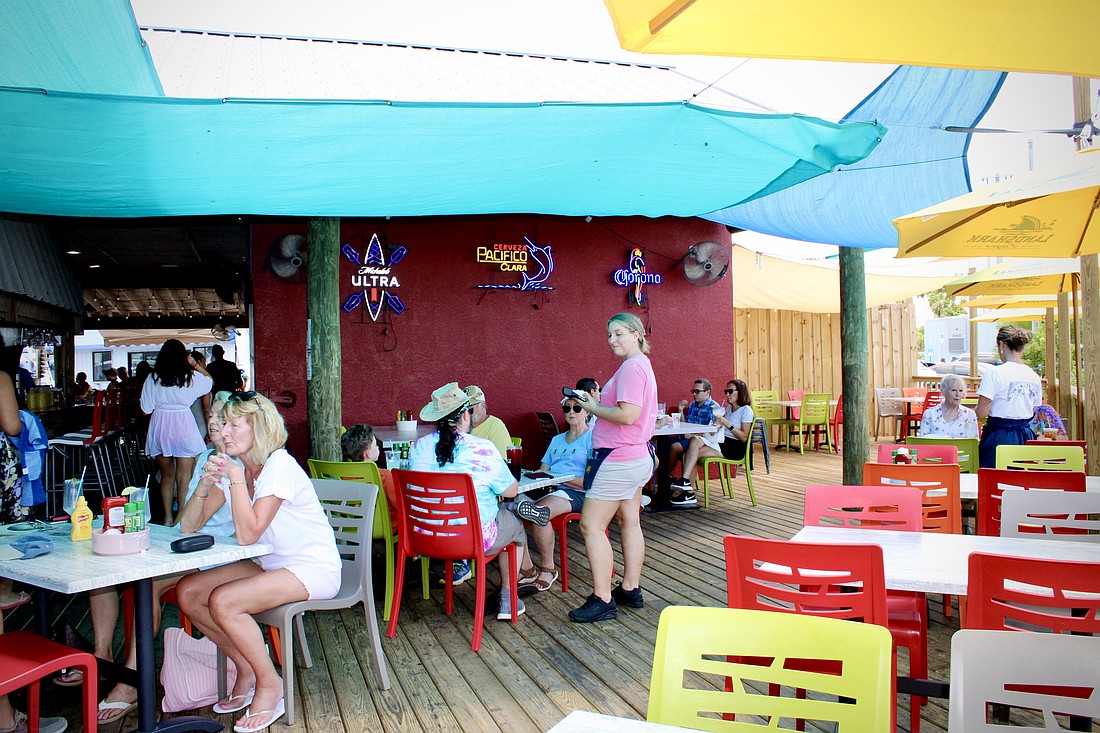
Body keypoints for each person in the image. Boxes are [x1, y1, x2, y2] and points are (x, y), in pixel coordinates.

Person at [176, 392, 341, 732]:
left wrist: (235, 479)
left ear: (259, 429)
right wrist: (206, 484)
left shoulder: (278, 465)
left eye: (235, 425)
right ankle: (247, 667)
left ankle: (270, 683)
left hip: (313, 568)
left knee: (224, 600)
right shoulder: (240, 467)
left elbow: (249, 534)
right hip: (271, 564)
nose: (224, 433)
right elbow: (189, 525)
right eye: (223, 424)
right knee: (189, 591)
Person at [78, 393, 239, 722]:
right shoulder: (207, 457)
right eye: (211, 419)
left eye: (221, 420)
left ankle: (132, 684)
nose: (213, 425)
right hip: (194, 545)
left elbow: (202, 520)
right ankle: (101, 658)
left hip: (225, 554)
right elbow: (185, 522)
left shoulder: (239, 465)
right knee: (110, 568)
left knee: (147, 582)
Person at [408, 383, 549, 618]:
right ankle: (508, 597)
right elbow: (512, 489)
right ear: (465, 414)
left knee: (503, 510)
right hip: (472, 538)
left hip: (424, 537)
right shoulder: (482, 448)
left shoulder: (418, 448)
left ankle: (511, 513)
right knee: (514, 525)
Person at [570, 312, 656, 623]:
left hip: (618, 460)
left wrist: (591, 406)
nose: (612, 340)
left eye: (619, 333)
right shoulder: (640, 365)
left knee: (590, 525)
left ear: (636, 333)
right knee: (630, 520)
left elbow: (629, 414)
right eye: (609, 335)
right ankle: (630, 589)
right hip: (635, 457)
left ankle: (603, 598)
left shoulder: (633, 367)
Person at [516, 394, 593, 592]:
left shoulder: (593, 438)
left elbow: (590, 481)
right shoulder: (557, 440)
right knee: (513, 504)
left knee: (539, 512)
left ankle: (548, 568)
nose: (571, 412)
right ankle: (526, 567)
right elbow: (543, 470)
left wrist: (560, 478)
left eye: (576, 408)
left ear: (587, 411)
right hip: (551, 488)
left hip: (577, 492)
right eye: (567, 409)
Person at [141, 339, 213, 525]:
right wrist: (195, 364)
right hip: (183, 424)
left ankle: (166, 518)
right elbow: (210, 382)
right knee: (184, 476)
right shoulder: (190, 376)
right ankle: (180, 517)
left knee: (167, 475)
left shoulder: (153, 377)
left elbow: (145, 410)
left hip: (160, 425)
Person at [975, 325, 1043, 468]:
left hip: (999, 435)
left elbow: (982, 412)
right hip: (1025, 435)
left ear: (1002, 344)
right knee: (1021, 481)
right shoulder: (1034, 376)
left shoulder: (995, 373)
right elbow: (1034, 408)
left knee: (994, 479)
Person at [680, 379, 754, 492]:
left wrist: (726, 423)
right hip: (721, 442)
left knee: (692, 454)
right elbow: (721, 427)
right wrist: (716, 426)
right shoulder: (729, 408)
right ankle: (686, 485)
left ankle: (687, 489)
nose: (727, 394)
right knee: (694, 442)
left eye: (730, 391)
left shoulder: (746, 410)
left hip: (733, 447)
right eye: (726, 391)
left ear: (740, 392)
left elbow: (744, 437)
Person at [663, 378, 722, 507]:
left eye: (697, 391)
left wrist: (691, 434)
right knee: (664, 444)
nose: (694, 394)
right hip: (689, 438)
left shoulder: (714, 408)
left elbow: (711, 431)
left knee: (675, 446)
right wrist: (680, 410)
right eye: (693, 391)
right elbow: (686, 424)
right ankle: (667, 480)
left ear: (707, 392)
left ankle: (666, 479)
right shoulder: (693, 405)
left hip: (701, 441)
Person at [919, 374, 979, 439]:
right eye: (953, 390)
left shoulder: (969, 414)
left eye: (961, 391)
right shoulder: (930, 414)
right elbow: (922, 441)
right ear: (943, 392)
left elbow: (974, 443)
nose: (958, 394)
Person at [464, 385, 512, 458]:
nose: (466, 413)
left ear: (483, 405)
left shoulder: (495, 426)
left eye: (470, 409)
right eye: (463, 409)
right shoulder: (459, 427)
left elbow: (502, 462)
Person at [189, 350, 212, 443]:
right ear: (199, 362)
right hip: (200, 423)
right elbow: (206, 407)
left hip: (185, 423)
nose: (205, 365)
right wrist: (210, 430)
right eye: (204, 362)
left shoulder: (184, 379)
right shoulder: (201, 380)